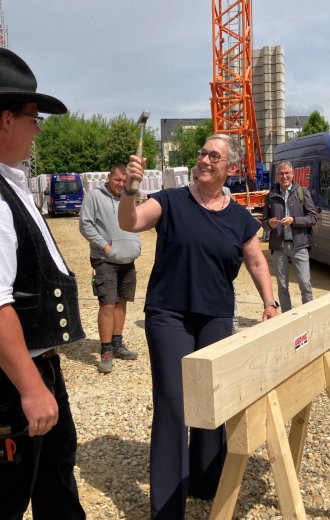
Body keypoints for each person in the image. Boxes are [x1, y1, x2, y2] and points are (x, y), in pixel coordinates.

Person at [119, 134, 279, 519]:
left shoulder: (240, 217)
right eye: (203, 153)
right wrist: (129, 191)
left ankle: (207, 482)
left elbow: (257, 262)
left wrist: (270, 303)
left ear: (231, 168)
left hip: (216, 317)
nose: (205, 159)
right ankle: (167, 507)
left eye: (215, 156)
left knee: (213, 400)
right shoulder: (171, 200)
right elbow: (131, 222)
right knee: (174, 404)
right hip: (169, 315)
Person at [0, 48, 86, 519]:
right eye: (33, 117)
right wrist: (31, 388)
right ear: (5, 119)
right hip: (12, 383)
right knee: (9, 496)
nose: (38, 128)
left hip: (35, 369)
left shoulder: (12, 183)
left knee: (56, 478)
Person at [79, 163, 141, 373]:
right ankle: (105, 351)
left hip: (127, 260)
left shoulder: (129, 197)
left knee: (122, 302)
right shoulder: (94, 196)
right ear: (109, 177)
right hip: (105, 260)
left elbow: (135, 221)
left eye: (124, 181)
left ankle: (117, 344)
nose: (121, 184)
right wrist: (106, 247)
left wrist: (136, 243)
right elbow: (85, 225)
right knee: (107, 304)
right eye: (117, 180)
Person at [262, 160, 317, 312]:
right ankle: (287, 318)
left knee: (305, 284)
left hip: (299, 245)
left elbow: (313, 218)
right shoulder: (271, 195)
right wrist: (269, 223)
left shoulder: (302, 192)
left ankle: (308, 315)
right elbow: (264, 222)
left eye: (287, 173)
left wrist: (294, 221)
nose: (284, 176)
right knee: (282, 285)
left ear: (292, 174)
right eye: (281, 173)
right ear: (276, 176)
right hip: (278, 246)